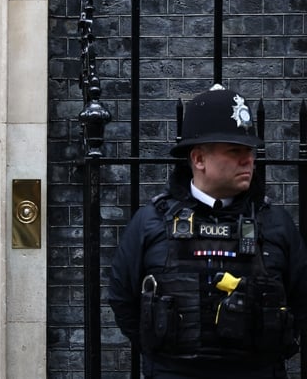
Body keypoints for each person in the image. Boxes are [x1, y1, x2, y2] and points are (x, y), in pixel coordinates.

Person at [108, 84, 307, 378]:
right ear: (198, 159)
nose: (248, 160)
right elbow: (123, 298)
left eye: (250, 151)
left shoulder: (276, 223)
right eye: (235, 150)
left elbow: (301, 299)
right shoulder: (150, 222)